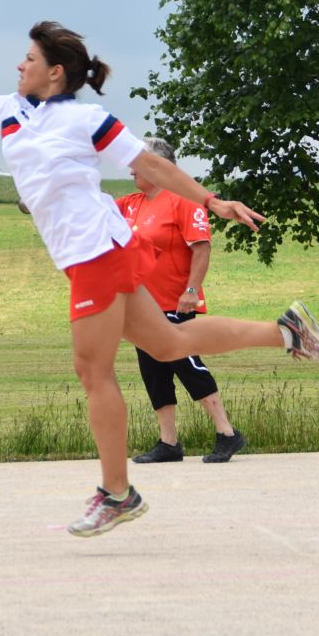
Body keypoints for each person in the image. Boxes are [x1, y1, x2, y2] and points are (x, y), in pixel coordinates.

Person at [0, 0, 319, 537]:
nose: (19, 66)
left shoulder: (85, 119)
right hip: (90, 254)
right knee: (168, 343)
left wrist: (212, 201)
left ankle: (117, 493)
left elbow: (151, 164)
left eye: (29, 59)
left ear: (55, 72)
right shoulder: (8, 111)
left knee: (92, 371)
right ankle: (288, 332)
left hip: (96, 251)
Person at [115, 137, 246, 465]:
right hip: (141, 306)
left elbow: (201, 247)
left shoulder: (183, 201)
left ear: (159, 166)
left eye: (138, 163)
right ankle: (169, 442)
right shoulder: (131, 203)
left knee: (185, 364)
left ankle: (227, 432)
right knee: (153, 370)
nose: (131, 170)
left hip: (174, 302)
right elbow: (89, 210)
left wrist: (192, 290)